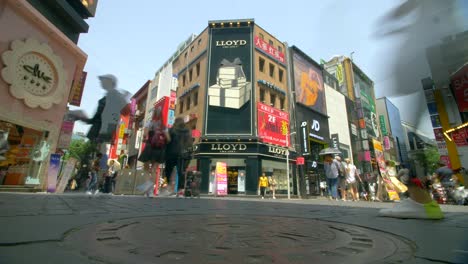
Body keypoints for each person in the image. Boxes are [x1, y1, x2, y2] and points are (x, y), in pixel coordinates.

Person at [138, 110, 170, 196]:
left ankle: (148, 188)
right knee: (155, 169)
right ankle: (151, 190)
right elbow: (168, 138)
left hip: (150, 147)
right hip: (159, 149)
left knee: (146, 167)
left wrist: (145, 138)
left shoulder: (150, 123)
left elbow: (145, 134)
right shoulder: (163, 125)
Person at [163, 117, 192, 195]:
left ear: (175, 122)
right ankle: (180, 189)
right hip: (183, 154)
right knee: (181, 171)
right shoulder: (188, 131)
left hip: (171, 153)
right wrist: (189, 154)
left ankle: (170, 187)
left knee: (168, 170)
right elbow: (190, 143)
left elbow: (167, 140)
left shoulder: (172, 130)